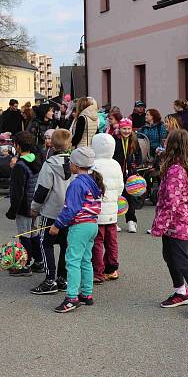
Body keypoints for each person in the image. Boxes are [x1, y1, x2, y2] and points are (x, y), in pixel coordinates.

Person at [150, 129, 188, 320]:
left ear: (174, 145)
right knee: (169, 256)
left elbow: (172, 201)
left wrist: (159, 225)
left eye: (168, 141)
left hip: (177, 222)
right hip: (171, 221)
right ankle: (181, 291)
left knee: (181, 260)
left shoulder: (177, 170)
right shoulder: (175, 165)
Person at [49, 146, 102, 313]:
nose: (69, 164)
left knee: (72, 261)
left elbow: (70, 208)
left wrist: (57, 225)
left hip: (79, 226)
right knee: (86, 260)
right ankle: (86, 293)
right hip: (92, 225)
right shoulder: (93, 181)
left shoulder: (76, 183)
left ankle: (71, 298)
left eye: (71, 162)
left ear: (76, 165)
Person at [29, 129, 74, 294]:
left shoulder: (49, 164)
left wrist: (34, 208)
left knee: (46, 244)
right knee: (65, 245)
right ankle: (63, 278)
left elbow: (42, 190)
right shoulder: (75, 164)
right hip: (69, 212)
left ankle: (50, 279)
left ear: (52, 144)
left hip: (51, 212)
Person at [5, 131, 44, 276]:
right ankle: (39, 261)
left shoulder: (20, 166)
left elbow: (17, 192)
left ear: (18, 146)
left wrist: (12, 210)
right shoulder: (36, 160)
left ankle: (24, 264)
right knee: (34, 232)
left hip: (24, 206)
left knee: (24, 234)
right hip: (35, 204)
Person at [90, 133, 124, 283]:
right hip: (112, 209)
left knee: (97, 241)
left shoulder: (93, 165)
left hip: (97, 210)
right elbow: (120, 186)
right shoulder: (115, 164)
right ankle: (112, 268)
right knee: (112, 241)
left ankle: (98, 271)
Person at [113, 118, 142, 233]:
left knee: (130, 197)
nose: (126, 131)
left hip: (130, 173)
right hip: (117, 172)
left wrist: (136, 164)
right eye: (124, 128)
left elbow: (138, 153)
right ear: (119, 129)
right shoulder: (115, 139)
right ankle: (113, 222)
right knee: (116, 197)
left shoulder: (133, 139)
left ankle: (131, 221)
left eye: (129, 129)